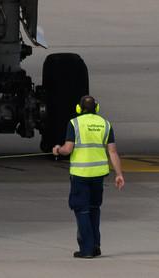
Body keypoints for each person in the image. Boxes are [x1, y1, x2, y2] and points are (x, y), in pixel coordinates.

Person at [50, 93, 124, 258]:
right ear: (96, 108)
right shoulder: (105, 124)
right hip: (98, 175)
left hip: (81, 174)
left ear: (79, 108)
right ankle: (96, 246)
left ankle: (87, 249)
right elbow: (112, 151)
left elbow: (68, 149)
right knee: (94, 209)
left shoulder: (74, 123)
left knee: (81, 210)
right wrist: (119, 174)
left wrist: (57, 150)